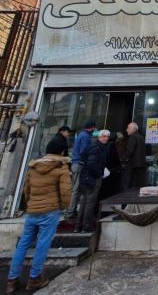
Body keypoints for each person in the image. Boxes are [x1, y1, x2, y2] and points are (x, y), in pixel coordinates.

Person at [6, 139, 71, 293]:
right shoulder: (60, 167)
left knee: (23, 244)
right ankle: (34, 278)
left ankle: (12, 280)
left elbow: (26, 190)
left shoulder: (33, 167)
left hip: (32, 211)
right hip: (50, 211)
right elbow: (66, 192)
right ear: (62, 152)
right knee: (42, 244)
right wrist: (62, 207)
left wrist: (31, 204)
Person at [74, 129, 110, 233]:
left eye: (107, 137)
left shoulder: (95, 146)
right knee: (90, 202)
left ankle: (78, 226)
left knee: (85, 202)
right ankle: (86, 227)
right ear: (99, 137)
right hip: (92, 178)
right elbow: (92, 163)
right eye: (104, 136)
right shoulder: (96, 148)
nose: (106, 138)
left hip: (87, 177)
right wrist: (99, 173)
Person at [65, 120, 96, 219]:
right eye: (94, 127)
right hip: (79, 164)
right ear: (91, 127)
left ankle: (71, 210)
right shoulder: (85, 136)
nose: (95, 129)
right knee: (76, 189)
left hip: (76, 163)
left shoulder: (81, 135)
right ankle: (70, 212)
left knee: (75, 188)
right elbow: (84, 151)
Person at [121, 122, 146, 190]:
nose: (127, 130)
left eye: (128, 128)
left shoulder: (133, 137)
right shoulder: (141, 137)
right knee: (137, 186)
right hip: (140, 165)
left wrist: (123, 159)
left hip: (132, 166)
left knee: (129, 186)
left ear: (133, 129)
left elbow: (129, 151)